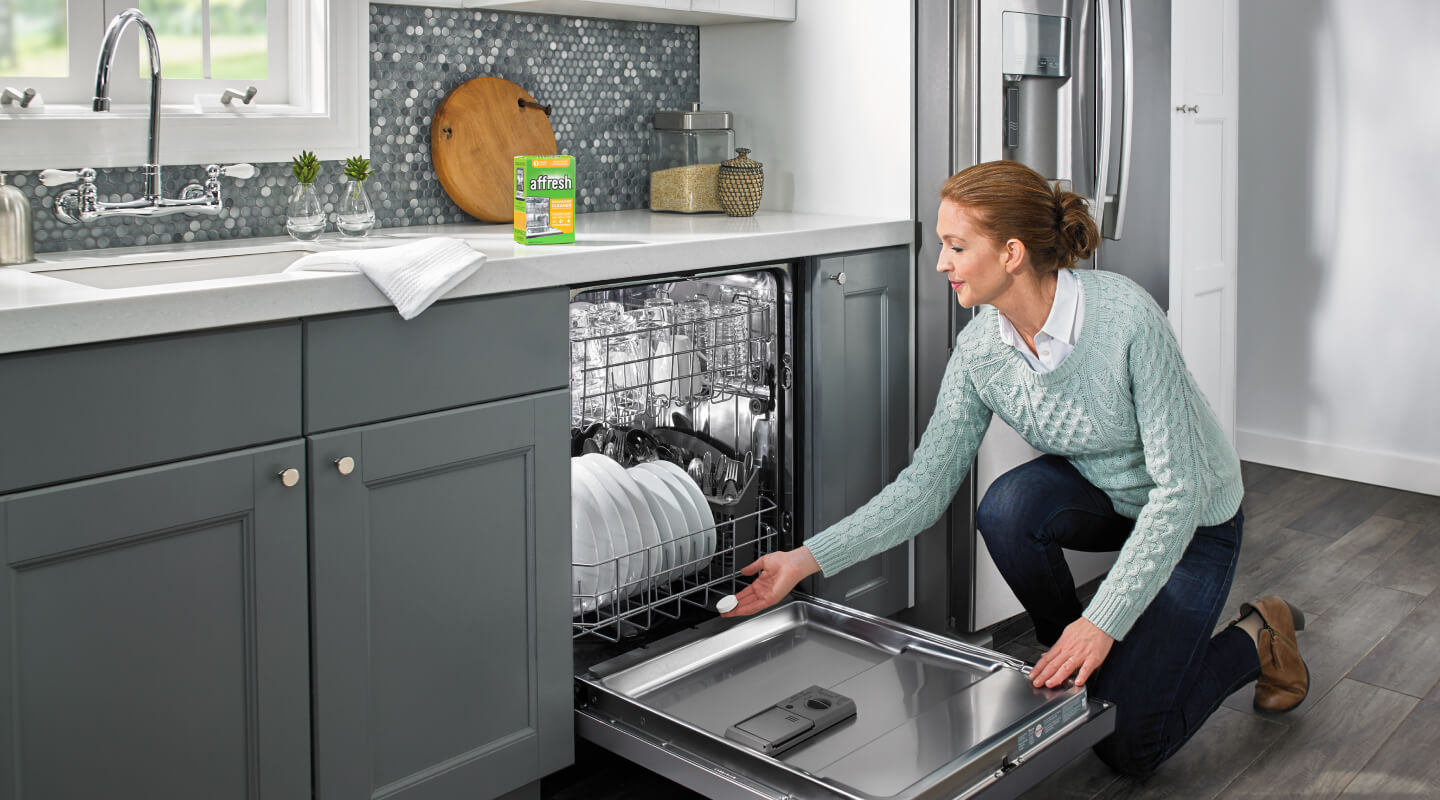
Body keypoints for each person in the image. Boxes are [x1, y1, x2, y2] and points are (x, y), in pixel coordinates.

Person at [721, 160, 1309, 777]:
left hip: (1195, 519)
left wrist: (1102, 621)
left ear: (1011, 253)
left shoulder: (1127, 319)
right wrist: (802, 561)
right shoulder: (980, 349)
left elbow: (1179, 492)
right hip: (1109, 495)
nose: (941, 262)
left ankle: (1259, 635)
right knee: (1006, 510)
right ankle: (1082, 656)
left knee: (1132, 745)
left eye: (956, 246)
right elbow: (926, 487)